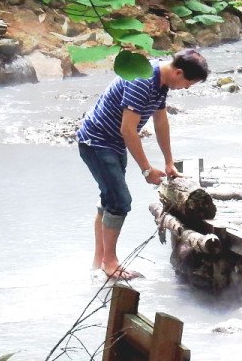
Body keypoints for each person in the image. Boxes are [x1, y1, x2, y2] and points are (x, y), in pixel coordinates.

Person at [77, 49, 208, 280]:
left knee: (109, 199)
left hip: (112, 143)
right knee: (119, 201)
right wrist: (146, 169)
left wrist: (169, 161)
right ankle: (110, 262)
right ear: (178, 72)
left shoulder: (161, 81)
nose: (186, 88)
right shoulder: (143, 81)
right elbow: (128, 130)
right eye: (188, 83)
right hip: (97, 141)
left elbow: (161, 121)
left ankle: (99, 262)